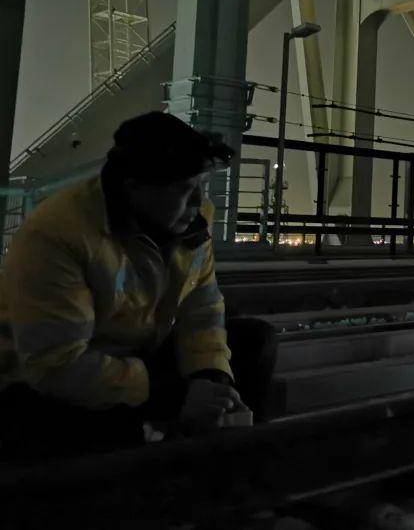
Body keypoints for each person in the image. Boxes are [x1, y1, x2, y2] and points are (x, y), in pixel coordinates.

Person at [0, 111, 278, 461]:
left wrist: (211, 376)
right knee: (71, 422)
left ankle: (235, 465)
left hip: (134, 358)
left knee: (254, 342)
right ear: (134, 186)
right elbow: (56, 366)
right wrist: (173, 397)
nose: (198, 202)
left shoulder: (191, 223)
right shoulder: (58, 234)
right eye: (185, 189)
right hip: (42, 382)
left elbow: (202, 310)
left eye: (202, 185)